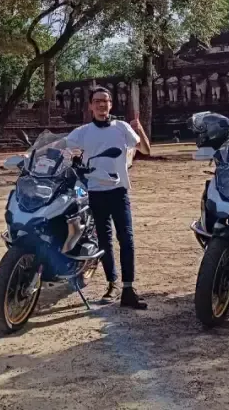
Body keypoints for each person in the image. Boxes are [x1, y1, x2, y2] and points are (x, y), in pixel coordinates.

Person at [65, 87, 151, 309]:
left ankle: (128, 288)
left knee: (126, 239)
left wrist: (139, 129)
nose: (102, 105)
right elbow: (62, 146)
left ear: (111, 104)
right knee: (104, 240)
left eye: (105, 101)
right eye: (97, 101)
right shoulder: (82, 132)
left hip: (118, 191)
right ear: (91, 106)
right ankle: (112, 283)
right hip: (94, 193)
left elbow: (146, 150)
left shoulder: (121, 128)